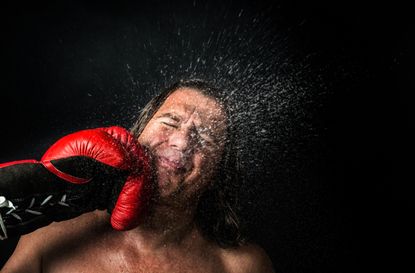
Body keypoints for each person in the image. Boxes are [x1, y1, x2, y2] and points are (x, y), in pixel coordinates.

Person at [1, 79, 275, 273]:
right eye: (170, 122)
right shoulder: (56, 232)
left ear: (218, 173)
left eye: (206, 138)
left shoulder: (240, 267)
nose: (181, 143)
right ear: (138, 133)